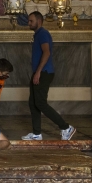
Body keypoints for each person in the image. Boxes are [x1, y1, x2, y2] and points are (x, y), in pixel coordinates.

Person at [22, 11, 76, 141]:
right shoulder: (38, 35)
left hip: (44, 73)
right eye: (29, 21)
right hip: (40, 72)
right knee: (33, 103)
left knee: (40, 103)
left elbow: (46, 53)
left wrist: (39, 72)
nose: (28, 23)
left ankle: (66, 127)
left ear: (39, 21)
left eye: (31, 21)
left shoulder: (43, 34)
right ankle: (36, 133)